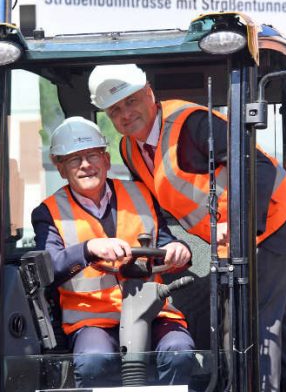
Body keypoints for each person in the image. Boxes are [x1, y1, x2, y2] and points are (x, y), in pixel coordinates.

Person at [88, 64, 286, 392]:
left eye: (130, 101)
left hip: (272, 217)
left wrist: (240, 227)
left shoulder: (190, 124)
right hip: (242, 233)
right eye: (115, 110)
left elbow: (254, 165)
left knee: (247, 323)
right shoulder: (129, 149)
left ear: (149, 95)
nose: (126, 114)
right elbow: (154, 207)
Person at [31, 116, 196, 388]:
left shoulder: (142, 193)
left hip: (152, 311)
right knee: (95, 360)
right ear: (60, 168)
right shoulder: (48, 212)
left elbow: (164, 241)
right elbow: (47, 268)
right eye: (74, 159)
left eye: (92, 155)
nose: (85, 165)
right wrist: (88, 249)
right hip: (93, 319)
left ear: (106, 160)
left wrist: (179, 250)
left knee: (179, 351)